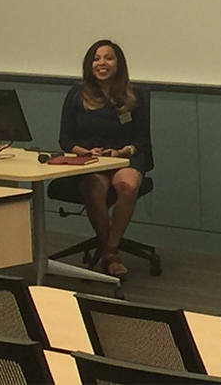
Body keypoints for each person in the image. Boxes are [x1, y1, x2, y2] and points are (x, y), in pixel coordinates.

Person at [58, 39, 150, 278]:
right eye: (96, 58)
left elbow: (141, 140)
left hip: (124, 158)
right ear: (89, 64)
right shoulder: (76, 95)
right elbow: (65, 139)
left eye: (108, 58)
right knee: (94, 190)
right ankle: (110, 253)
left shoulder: (134, 96)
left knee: (128, 186)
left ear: (118, 64)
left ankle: (109, 249)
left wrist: (121, 152)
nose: (102, 63)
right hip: (91, 161)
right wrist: (83, 151)